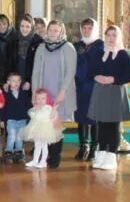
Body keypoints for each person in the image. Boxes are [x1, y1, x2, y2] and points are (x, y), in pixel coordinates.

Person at [86, 25, 130, 171]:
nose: (111, 38)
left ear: (118, 37)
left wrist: (112, 79)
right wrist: (97, 76)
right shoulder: (98, 53)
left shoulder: (123, 55)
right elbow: (90, 71)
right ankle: (101, 153)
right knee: (101, 124)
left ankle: (111, 156)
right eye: (108, 35)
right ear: (105, 37)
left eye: (114, 35)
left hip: (115, 92)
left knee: (113, 125)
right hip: (100, 92)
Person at [31, 20, 77, 168]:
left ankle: (55, 156)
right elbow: (36, 71)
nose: (52, 33)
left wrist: (63, 91)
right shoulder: (41, 47)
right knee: (44, 123)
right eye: (50, 30)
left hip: (60, 90)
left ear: (61, 32)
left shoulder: (68, 47)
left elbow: (70, 72)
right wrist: (34, 92)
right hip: (44, 92)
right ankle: (45, 155)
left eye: (56, 31)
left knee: (56, 124)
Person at [73, 18, 104, 161]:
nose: (86, 30)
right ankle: (83, 146)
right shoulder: (76, 45)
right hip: (79, 86)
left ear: (95, 29)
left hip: (95, 86)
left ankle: (94, 148)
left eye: (89, 28)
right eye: (84, 28)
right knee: (82, 117)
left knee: (94, 118)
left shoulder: (100, 45)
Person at [22, 89, 63, 169]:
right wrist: (36, 108)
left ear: (46, 99)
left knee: (44, 146)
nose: (40, 100)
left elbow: (52, 117)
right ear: (35, 99)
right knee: (37, 146)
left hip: (45, 130)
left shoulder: (48, 108)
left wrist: (54, 108)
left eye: (43, 98)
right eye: (38, 98)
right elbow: (32, 115)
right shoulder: (35, 107)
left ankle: (43, 161)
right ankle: (35, 160)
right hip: (36, 129)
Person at [5, 14, 43, 94]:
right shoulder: (12, 40)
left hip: (31, 81)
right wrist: (7, 80)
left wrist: (30, 81)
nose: (24, 29)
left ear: (32, 27)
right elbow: (7, 62)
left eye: (28, 26)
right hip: (14, 80)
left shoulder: (38, 42)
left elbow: (39, 66)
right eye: (22, 26)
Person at [2, 72, 31, 164]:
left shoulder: (24, 93)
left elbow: (28, 105)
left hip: (22, 120)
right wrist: (2, 119)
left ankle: (18, 152)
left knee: (19, 137)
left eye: (18, 81)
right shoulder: (6, 93)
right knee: (12, 136)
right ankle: (9, 152)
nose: (16, 83)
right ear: (8, 82)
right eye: (13, 81)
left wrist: (29, 117)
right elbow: (3, 107)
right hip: (11, 120)